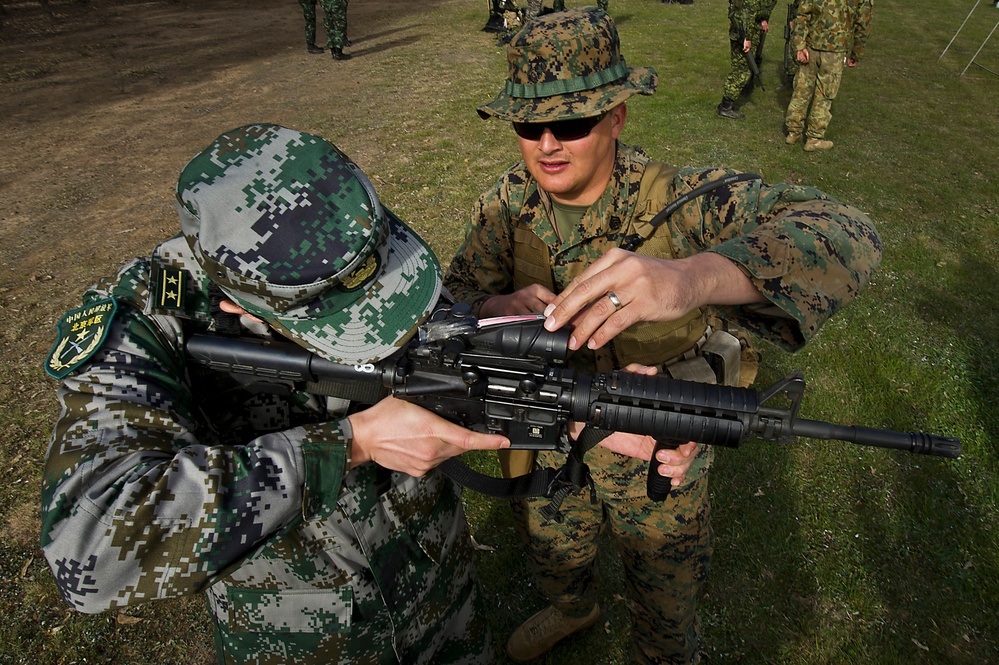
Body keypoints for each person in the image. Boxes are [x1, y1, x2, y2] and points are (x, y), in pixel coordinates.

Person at [444, 8, 883, 664]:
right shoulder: (505, 207)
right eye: (527, 125)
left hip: (652, 439)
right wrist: (489, 307)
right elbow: (442, 311)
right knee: (552, 541)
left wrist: (694, 276)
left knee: (665, 590)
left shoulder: (680, 201)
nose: (546, 145)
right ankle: (572, 604)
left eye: (568, 122)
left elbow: (848, 234)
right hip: (545, 435)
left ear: (616, 116)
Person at [39, 124, 513, 664]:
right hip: (302, 636)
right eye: (342, 324)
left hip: (438, 586)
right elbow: (90, 550)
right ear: (240, 304)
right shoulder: (141, 327)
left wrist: (478, 326)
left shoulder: (341, 231)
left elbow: (423, 322)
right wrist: (345, 444)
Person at [784, 0, 874, 151]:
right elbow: (863, 23)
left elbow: (802, 14)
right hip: (835, 51)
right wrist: (857, 52)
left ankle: (793, 132)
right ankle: (813, 138)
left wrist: (799, 45)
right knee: (825, 93)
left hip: (812, 45)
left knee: (802, 88)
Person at [718, 0, 777, 119]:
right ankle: (725, 107)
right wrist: (747, 38)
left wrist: (762, 20)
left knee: (741, 67)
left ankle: (727, 103)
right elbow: (747, 13)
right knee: (741, 71)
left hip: (742, 30)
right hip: (743, 33)